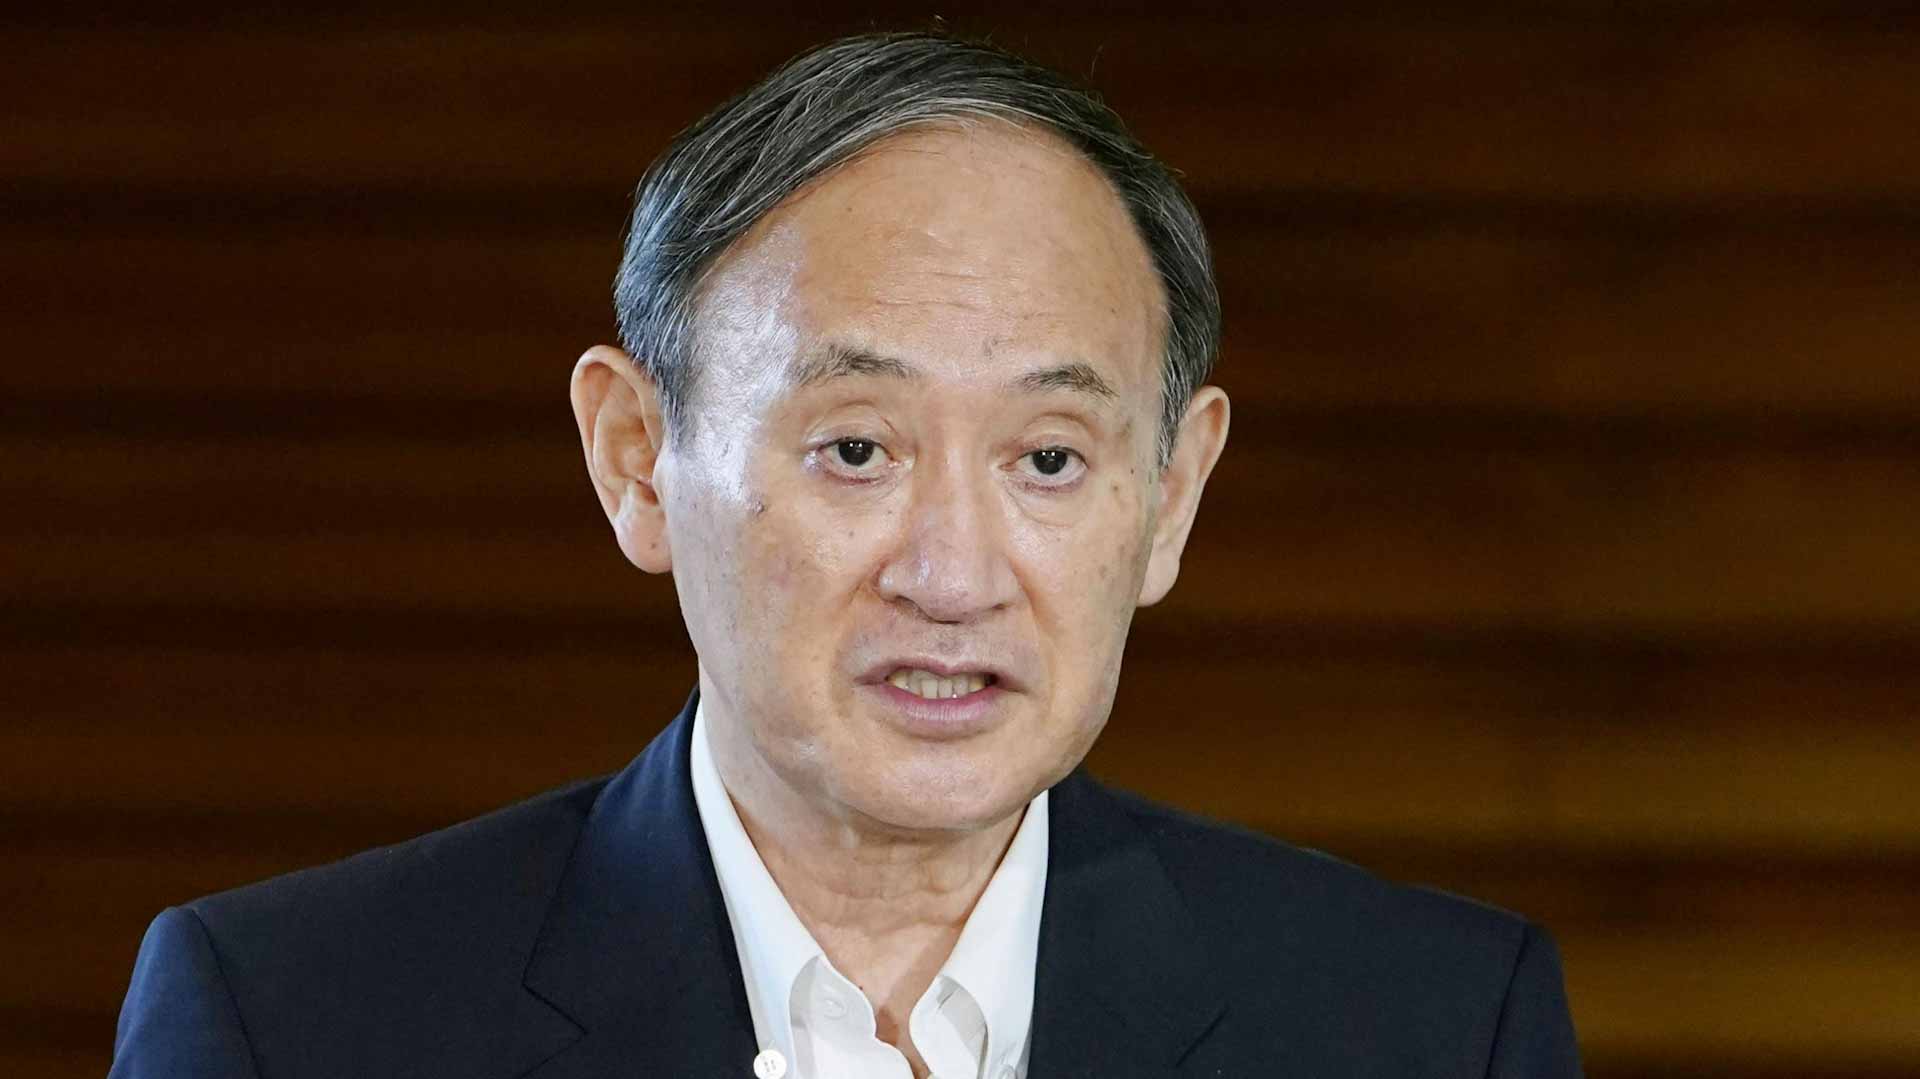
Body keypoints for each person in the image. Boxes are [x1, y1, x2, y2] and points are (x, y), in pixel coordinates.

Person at [108, 31, 1582, 1079]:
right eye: (858, 449)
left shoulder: (1435, 1028)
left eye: (1048, 460)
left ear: (1172, 495)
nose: (953, 576)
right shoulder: (292, 1021)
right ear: (634, 456)